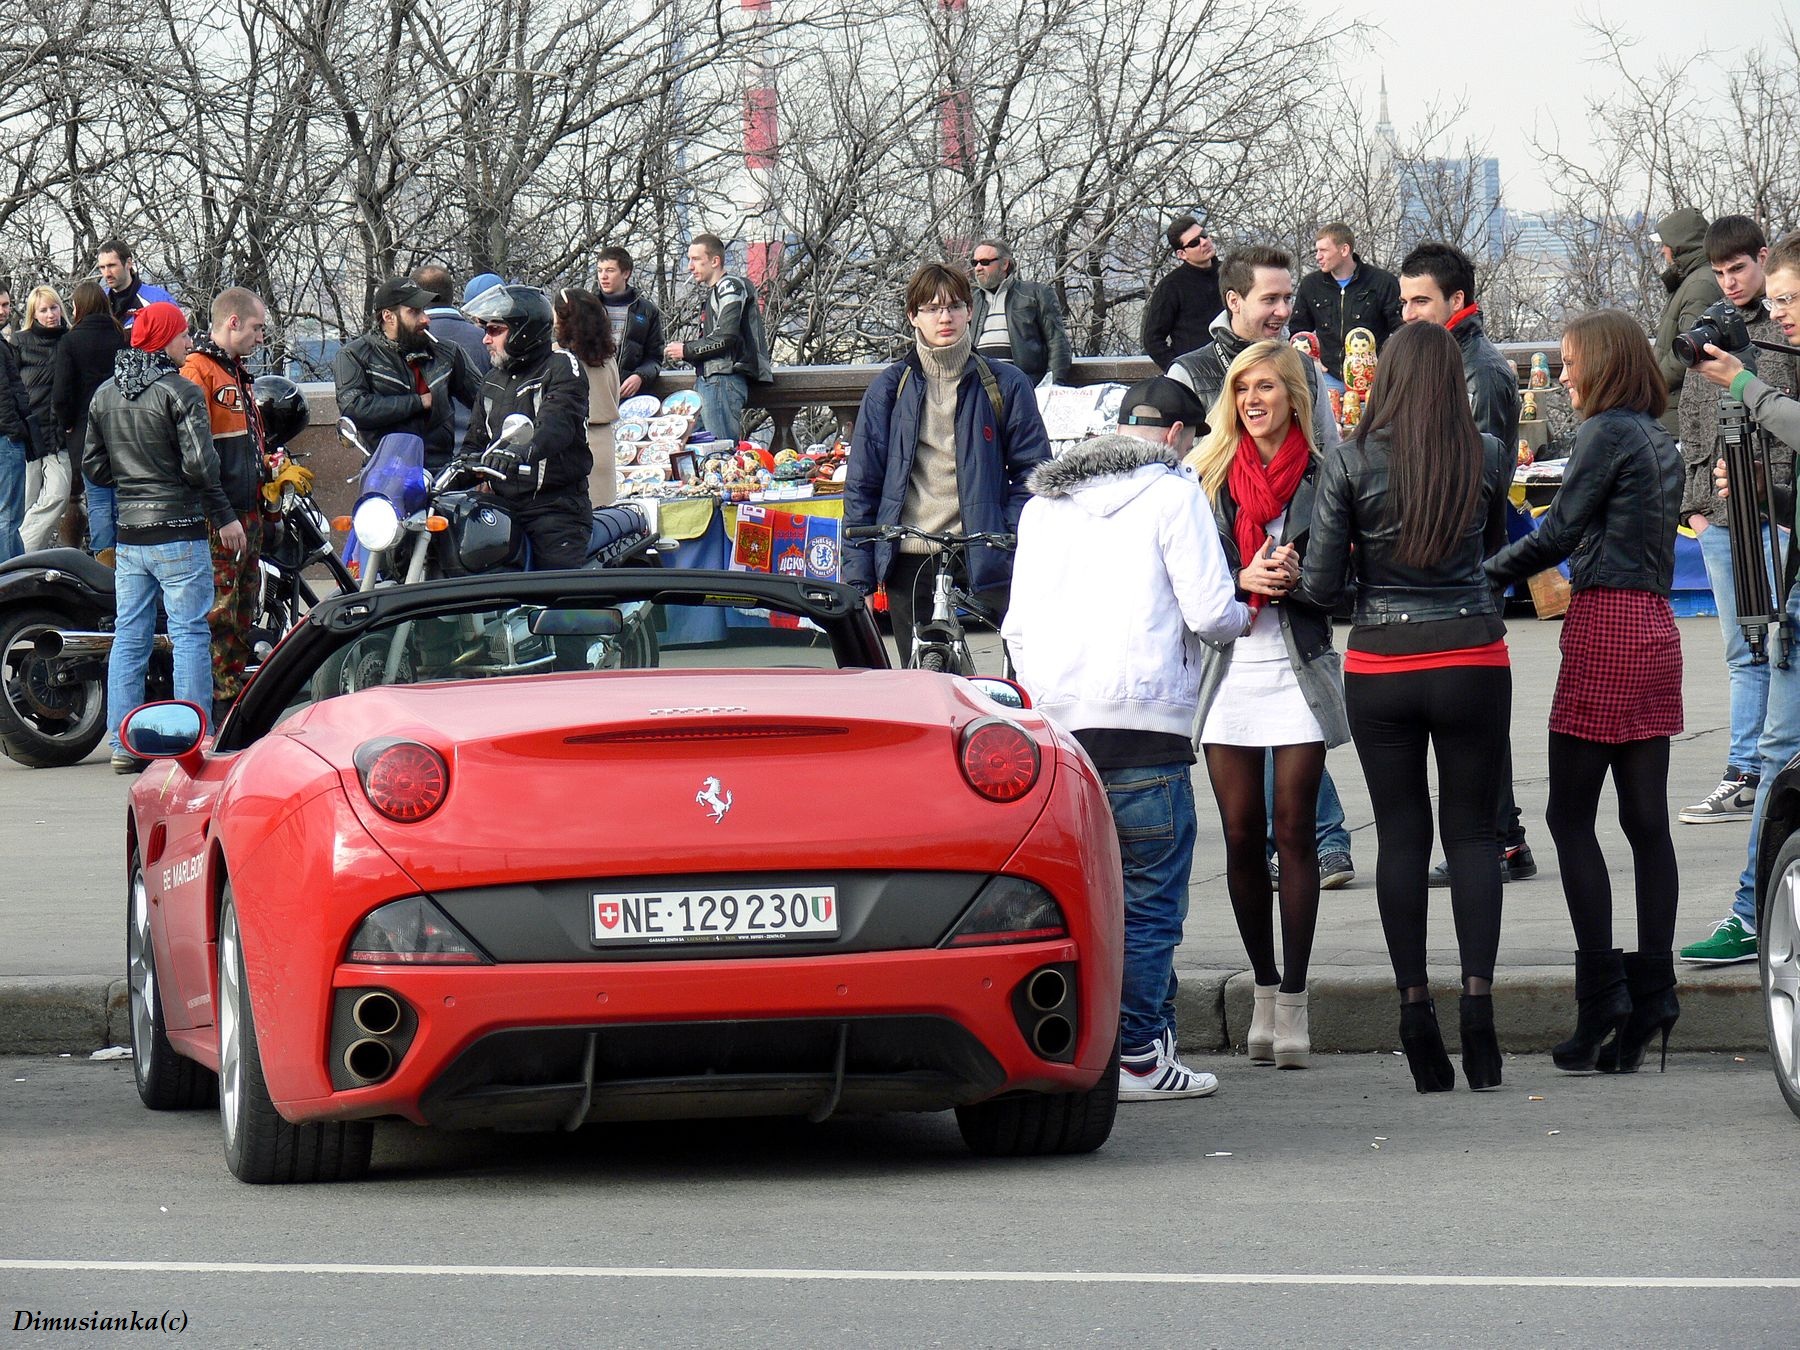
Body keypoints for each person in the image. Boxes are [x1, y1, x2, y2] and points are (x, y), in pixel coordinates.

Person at [1003, 375, 1251, 1100]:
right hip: (1148, 732)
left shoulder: (1044, 507)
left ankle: (1093, 1047)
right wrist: (1247, 611)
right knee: (1148, 904)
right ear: (1176, 436)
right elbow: (1210, 614)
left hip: (1061, 735)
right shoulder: (1176, 496)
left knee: (1076, 902)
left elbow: (1015, 623)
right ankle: (1142, 1053)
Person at [1292, 320, 1513, 1094]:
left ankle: (1416, 1014)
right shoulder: (1483, 454)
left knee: (1400, 840)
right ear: (1454, 382)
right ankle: (1481, 1019)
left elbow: (1319, 586)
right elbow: (1489, 550)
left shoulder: (1350, 461)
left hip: (1382, 660)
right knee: (1475, 837)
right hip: (1473, 652)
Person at [1487, 311, 1684, 1073]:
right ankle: (1655, 990)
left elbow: (1560, 532)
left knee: (1568, 814)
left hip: (1605, 624)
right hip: (1655, 624)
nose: (1561, 376)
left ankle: (1602, 1000)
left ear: (1601, 362)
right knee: (1646, 823)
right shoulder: (1656, 438)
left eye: (1569, 363)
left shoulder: (1605, 434)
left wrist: (1484, 577)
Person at [1168, 244, 1354, 885]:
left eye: (1288, 298)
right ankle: (1306, 844)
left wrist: (1313, 551)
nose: (1283, 310)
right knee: (1247, 811)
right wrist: (1233, 575)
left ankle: (1321, 840)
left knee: (1296, 712)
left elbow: (1328, 463)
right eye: (1270, 299)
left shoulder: (1302, 365)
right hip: (1230, 615)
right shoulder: (1191, 372)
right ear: (1234, 301)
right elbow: (1184, 494)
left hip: (1297, 608)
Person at [1188, 341, 1350, 1071]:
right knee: (1240, 831)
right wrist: (1243, 577)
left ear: (1293, 395)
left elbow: (1348, 584)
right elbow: (1190, 583)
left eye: (1266, 387)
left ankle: (1294, 997)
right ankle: (1259, 986)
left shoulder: (1326, 475)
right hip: (1230, 669)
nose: (1253, 400)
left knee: (1295, 829)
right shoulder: (1208, 474)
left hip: (1298, 667)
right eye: (1242, 388)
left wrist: (1299, 578)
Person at [1398, 241, 1535, 886]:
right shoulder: (1445, 357)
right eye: (1402, 301)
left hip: (1465, 564)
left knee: (1474, 719)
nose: (1408, 313)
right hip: (1449, 565)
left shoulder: (1477, 368)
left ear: (1457, 300)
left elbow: (1479, 475)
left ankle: (1501, 838)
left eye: (1420, 300)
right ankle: (1501, 834)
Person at [1680, 227, 1800, 966]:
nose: (1780, 316)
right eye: (1777, 300)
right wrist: (1760, 493)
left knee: (1780, 747)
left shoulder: (1765, 372)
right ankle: (1758, 907)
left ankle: (1755, 912)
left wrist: (1749, 389)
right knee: (1780, 744)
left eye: (1789, 298)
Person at [843, 263, 1051, 664]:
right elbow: (863, 485)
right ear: (913, 316)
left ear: (970, 312)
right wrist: (859, 579)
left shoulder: (1004, 383)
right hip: (910, 554)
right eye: (932, 308)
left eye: (955, 306)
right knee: (919, 681)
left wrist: (1006, 531)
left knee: (1021, 668)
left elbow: (1035, 473)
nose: (945, 317)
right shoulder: (890, 388)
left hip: (985, 548)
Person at [82, 301, 243, 772]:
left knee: (129, 635)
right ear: (163, 339)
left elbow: (93, 466)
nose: (189, 342)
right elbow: (200, 465)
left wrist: (133, 480)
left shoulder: (105, 393)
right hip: (179, 530)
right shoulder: (180, 392)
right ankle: (194, 738)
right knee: (190, 632)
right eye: (182, 335)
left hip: (131, 535)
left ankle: (122, 743)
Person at [181, 288, 271, 723]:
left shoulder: (236, 372)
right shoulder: (199, 371)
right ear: (232, 322)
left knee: (242, 607)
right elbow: (194, 450)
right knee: (220, 609)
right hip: (222, 514)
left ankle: (233, 689)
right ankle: (218, 699)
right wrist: (221, 512)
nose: (260, 337)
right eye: (256, 328)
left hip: (247, 507)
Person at [459, 285, 592, 573]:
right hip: (502, 505)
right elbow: (475, 442)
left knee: (558, 597)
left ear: (524, 331)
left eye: (495, 330)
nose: (485, 339)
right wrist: (457, 469)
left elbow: (557, 425)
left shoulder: (561, 366)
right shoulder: (493, 379)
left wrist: (522, 450)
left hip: (554, 510)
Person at [334, 277, 482, 471]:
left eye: (423, 310)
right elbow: (353, 407)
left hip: (441, 469)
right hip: (385, 469)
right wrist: (419, 402)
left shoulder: (446, 352)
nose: (425, 319)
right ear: (389, 317)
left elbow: (485, 401)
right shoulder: (356, 354)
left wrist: (474, 454)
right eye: (414, 312)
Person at [664, 234, 772, 442]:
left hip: (722, 381)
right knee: (705, 453)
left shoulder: (729, 286)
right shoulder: (719, 290)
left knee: (721, 454)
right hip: (713, 382)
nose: (690, 266)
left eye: (695, 259)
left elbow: (726, 336)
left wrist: (686, 350)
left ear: (715, 261)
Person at [52, 281, 128, 555]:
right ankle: (124, 558)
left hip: (86, 430)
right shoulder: (121, 336)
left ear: (79, 306)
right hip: (121, 429)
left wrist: (68, 423)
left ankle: (102, 561)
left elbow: (61, 393)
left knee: (97, 499)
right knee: (121, 498)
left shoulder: (71, 340)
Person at [1291, 223, 1402, 388]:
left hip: (1373, 378)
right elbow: (1298, 332)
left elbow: (1401, 329)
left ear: (1344, 250)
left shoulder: (1382, 282)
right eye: (1317, 251)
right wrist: (1311, 362)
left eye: (1324, 250)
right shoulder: (1311, 285)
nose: (1317, 257)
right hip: (1327, 376)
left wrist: (1389, 365)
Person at [1650, 208, 1722, 437]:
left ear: (1678, 246)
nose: (1663, 251)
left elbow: (1688, 349)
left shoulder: (1699, 285)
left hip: (1678, 415)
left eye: (1665, 244)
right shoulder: (1693, 279)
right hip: (1674, 408)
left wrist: (1654, 384)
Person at [969, 239, 1073, 386]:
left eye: (985, 262)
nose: (978, 268)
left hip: (1024, 386)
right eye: (975, 263)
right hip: (981, 386)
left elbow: (1057, 342)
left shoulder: (1036, 294)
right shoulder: (971, 301)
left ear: (1005, 264)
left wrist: (1052, 386)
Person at [553, 287, 620, 506]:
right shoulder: (608, 357)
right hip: (605, 442)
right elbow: (614, 396)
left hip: (573, 443)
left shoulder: (556, 357)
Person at [16, 286, 70, 553]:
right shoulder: (18, 342)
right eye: (44, 310)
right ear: (33, 314)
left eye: (54, 307)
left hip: (59, 438)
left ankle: (18, 554)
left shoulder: (70, 340)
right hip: (27, 436)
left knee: (58, 496)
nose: (51, 314)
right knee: (24, 503)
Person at [413, 265, 491, 451]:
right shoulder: (487, 340)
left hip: (422, 457)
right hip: (477, 455)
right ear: (451, 292)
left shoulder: (407, 341)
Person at [0, 286, 48, 561]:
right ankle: (10, 586)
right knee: (7, 517)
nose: (3, 311)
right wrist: (15, 430)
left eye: (6, 305)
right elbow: (4, 395)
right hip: (6, 438)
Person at [1141, 215, 1222, 371]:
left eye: (1204, 235)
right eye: (1194, 242)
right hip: (1197, 375)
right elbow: (1152, 339)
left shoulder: (1233, 274)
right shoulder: (1171, 286)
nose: (1204, 242)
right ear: (1182, 254)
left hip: (1238, 369)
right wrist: (1180, 371)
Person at [596, 247, 665, 402]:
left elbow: (655, 358)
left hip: (629, 397)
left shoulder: (647, 311)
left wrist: (640, 376)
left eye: (610, 270)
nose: (603, 276)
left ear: (625, 273)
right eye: (600, 271)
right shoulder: (586, 307)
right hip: (592, 395)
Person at [96, 238, 175, 334]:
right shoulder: (98, 301)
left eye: (112, 265)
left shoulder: (158, 299)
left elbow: (178, 338)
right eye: (102, 267)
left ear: (128, 263)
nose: (107, 273)